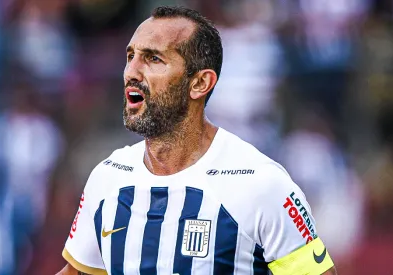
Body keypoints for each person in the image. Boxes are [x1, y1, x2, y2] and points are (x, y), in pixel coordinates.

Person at [57, 6, 337, 275]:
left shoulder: (261, 185)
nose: (132, 71)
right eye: (131, 56)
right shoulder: (108, 178)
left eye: (154, 59)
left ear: (200, 83)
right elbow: (77, 272)